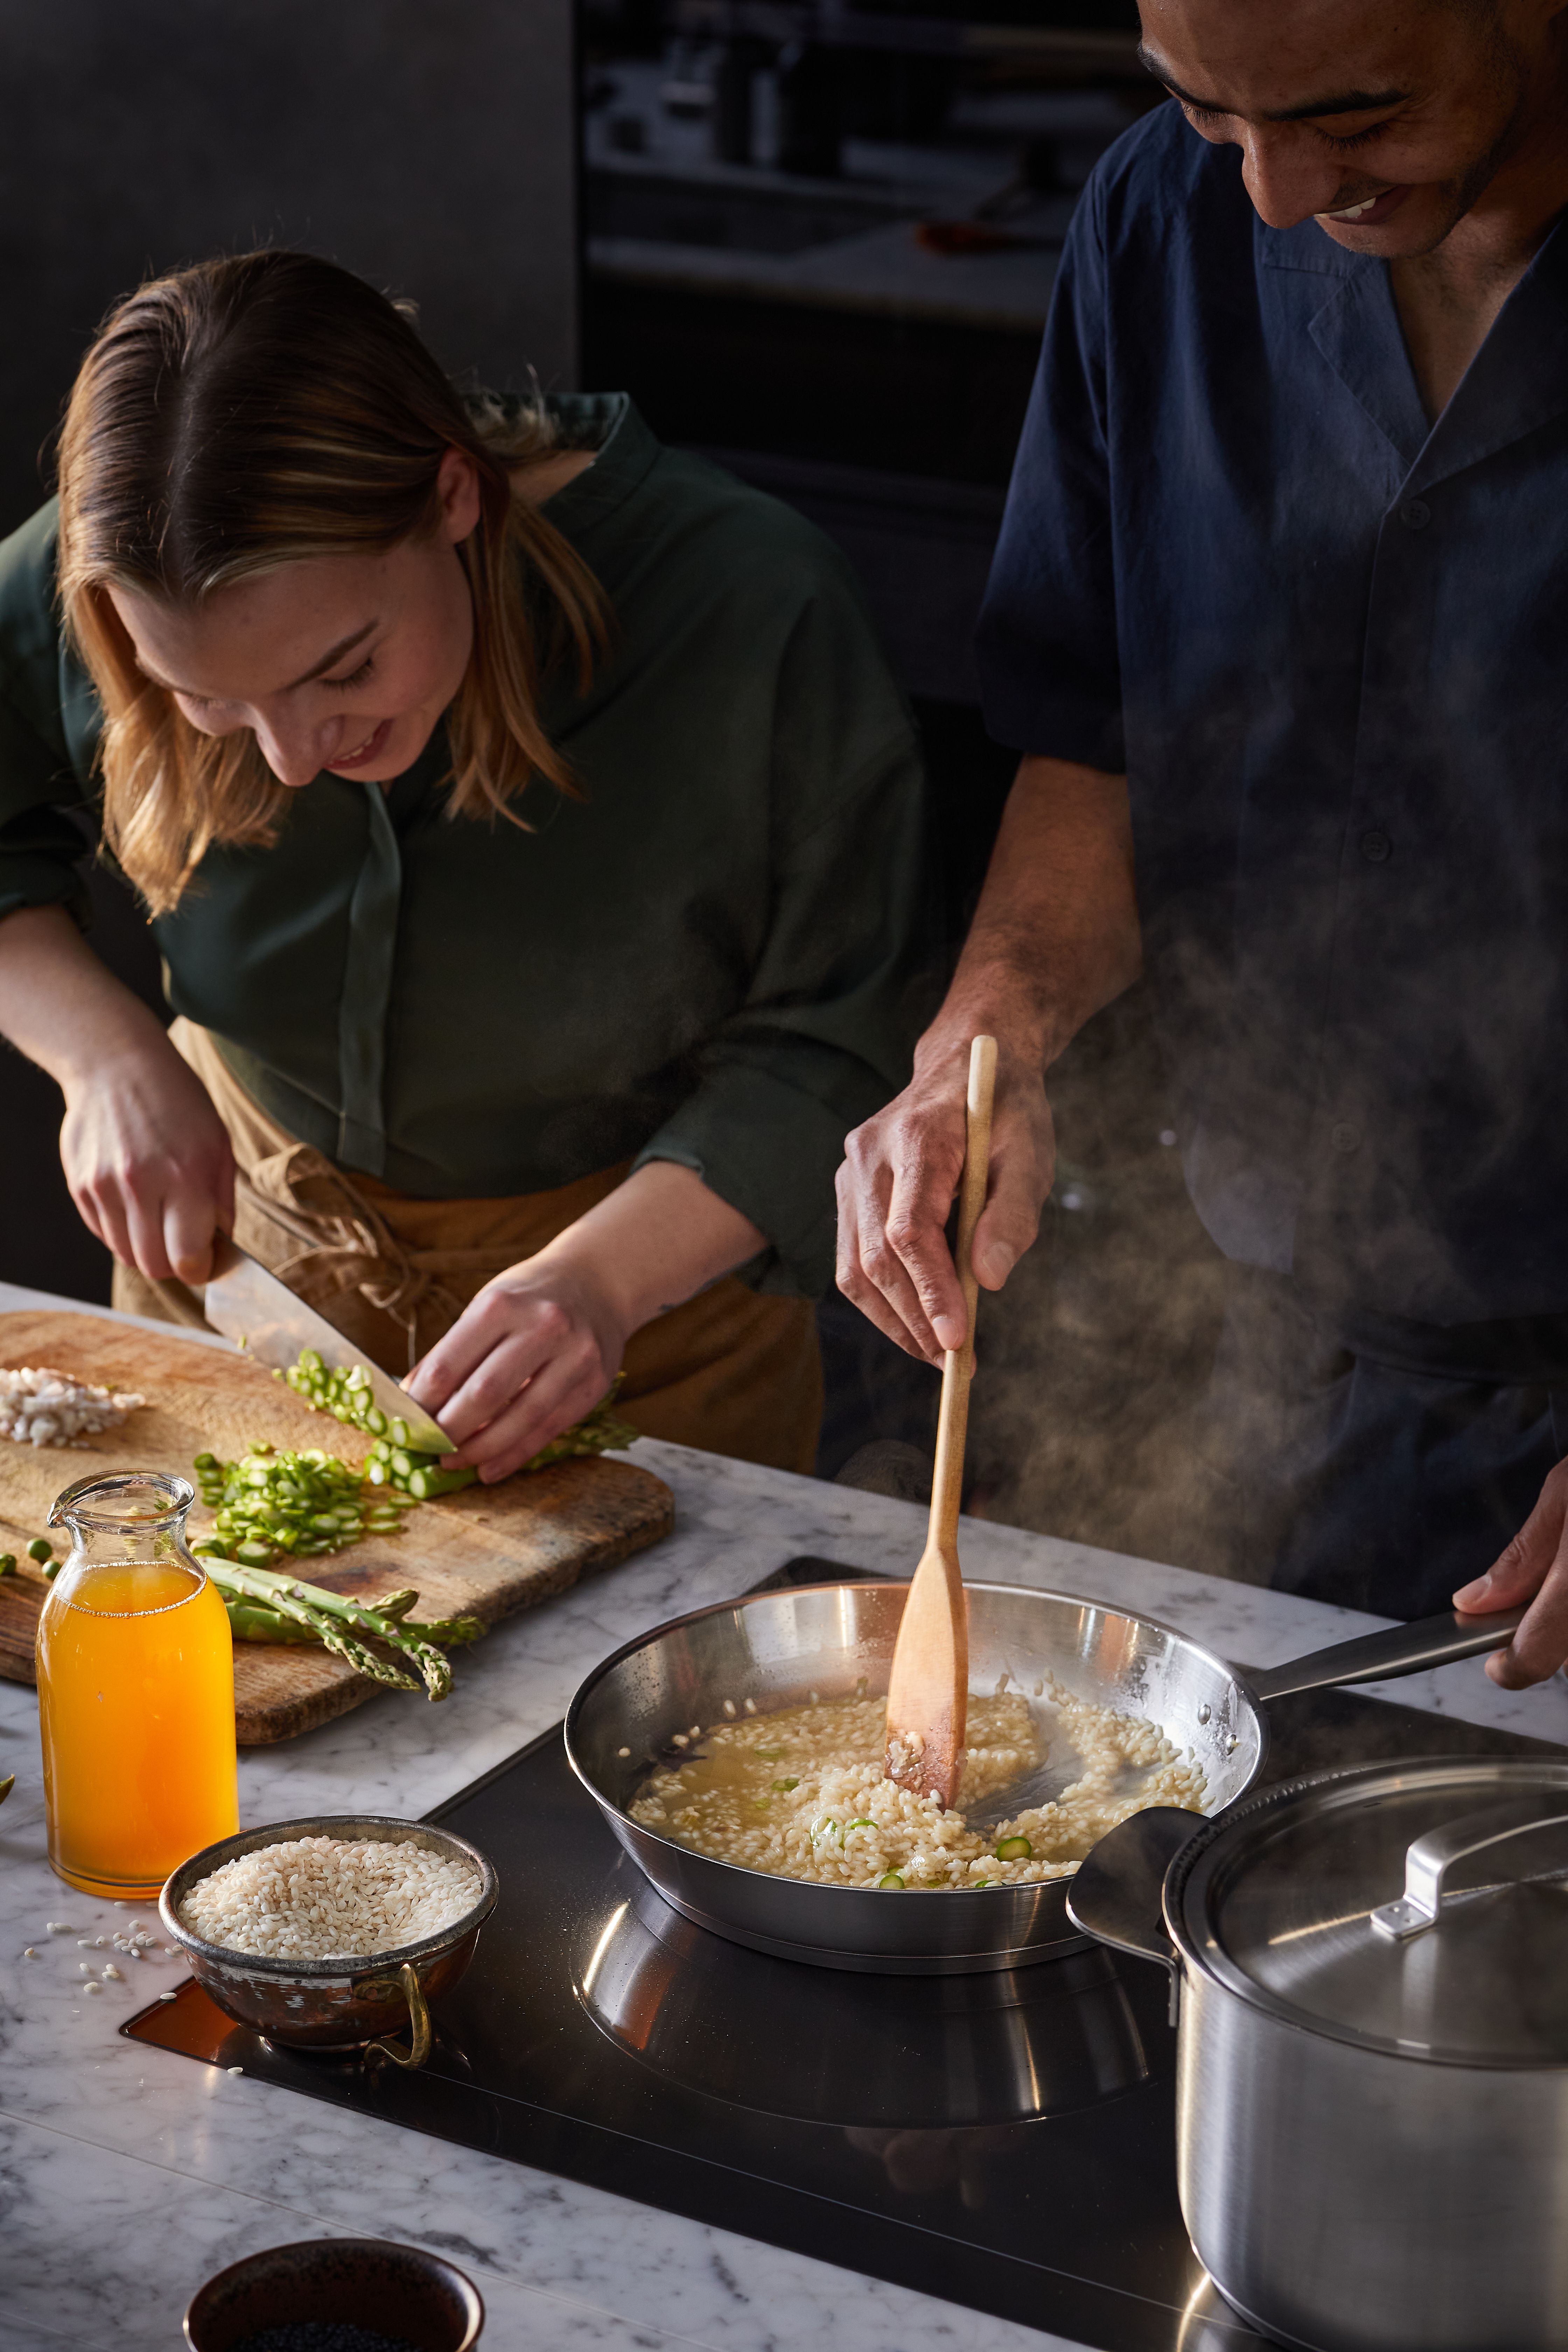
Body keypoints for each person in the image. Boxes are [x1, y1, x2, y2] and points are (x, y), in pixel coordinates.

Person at [836, 0, 1568, 1686]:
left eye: (1358, 115)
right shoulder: (1159, 221)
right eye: (1208, 115)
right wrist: (985, 1035)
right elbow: (1093, 733)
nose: (1276, 196)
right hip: (1283, 1347)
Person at [0, 249, 929, 1483]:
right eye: (208, 704)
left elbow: (842, 1029)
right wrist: (104, 1058)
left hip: (647, 1336)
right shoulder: (120, 560)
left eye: (342, 670)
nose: (289, 760)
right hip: (229, 1277)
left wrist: (599, 1282)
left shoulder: (749, 603)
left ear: (453, 496)